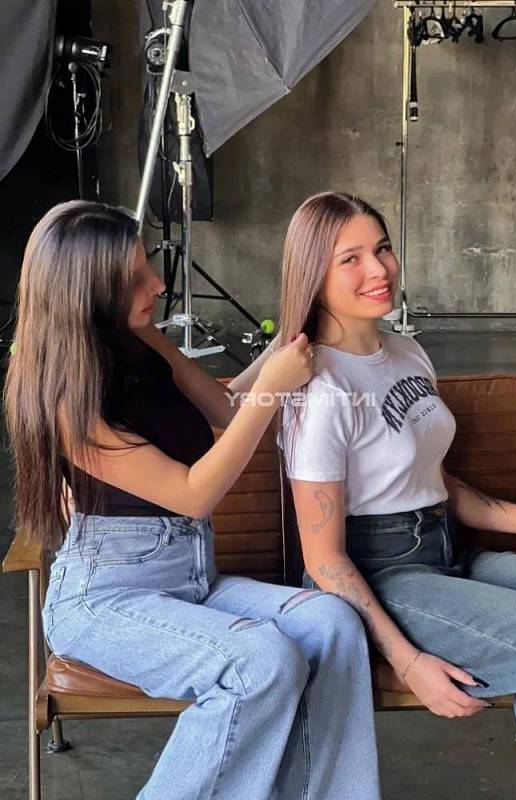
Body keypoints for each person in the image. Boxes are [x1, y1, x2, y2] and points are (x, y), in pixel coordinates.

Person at [4, 200, 382, 800]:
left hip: (191, 578)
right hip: (106, 598)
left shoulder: (142, 337)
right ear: (85, 295)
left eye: (147, 266)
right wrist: (274, 390)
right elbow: (193, 495)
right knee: (260, 662)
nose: (157, 284)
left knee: (332, 623)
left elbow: (226, 408)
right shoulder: (64, 401)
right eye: (135, 278)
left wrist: (290, 338)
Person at [278, 191, 516, 800]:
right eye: (350, 259)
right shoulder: (321, 391)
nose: (378, 270)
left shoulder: (405, 353)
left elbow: (437, 483)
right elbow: (323, 561)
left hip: (448, 552)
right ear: (312, 274)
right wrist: (406, 661)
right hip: (382, 576)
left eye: (382, 249)